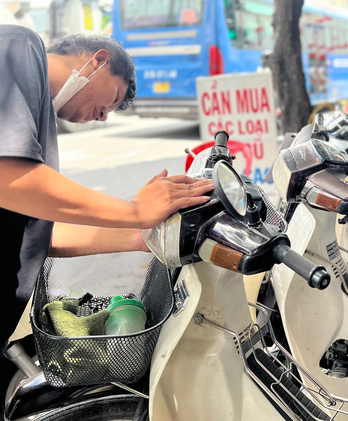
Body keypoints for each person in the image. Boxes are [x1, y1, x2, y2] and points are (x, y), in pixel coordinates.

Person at [0, 26, 213, 375]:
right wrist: (136, 211)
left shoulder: (38, 124)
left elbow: (39, 235)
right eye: (113, 99)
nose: (102, 117)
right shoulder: (19, 46)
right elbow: (10, 180)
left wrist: (141, 234)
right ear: (99, 60)